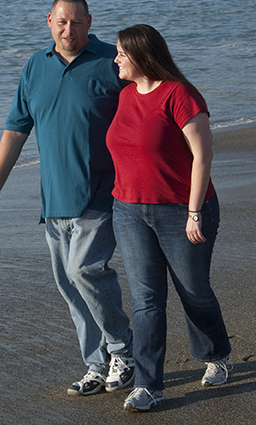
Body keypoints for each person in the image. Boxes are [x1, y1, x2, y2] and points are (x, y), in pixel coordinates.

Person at [0, 0, 134, 397]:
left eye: (77, 23)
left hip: (101, 192)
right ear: (49, 21)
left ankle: (124, 352)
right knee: (69, 284)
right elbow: (16, 129)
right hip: (54, 199)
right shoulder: (35, 66)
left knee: (86, 271)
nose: (69, 30)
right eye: (62, 23)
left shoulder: (111, 61)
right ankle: (96, 365)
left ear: (89, 21)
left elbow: (150, 103)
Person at [106, 24, 232, 412]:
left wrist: (194, 212)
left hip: (182, 211)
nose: (116, 60)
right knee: (146, 300)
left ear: (141, 56)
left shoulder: (180, 95)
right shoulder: (126, 96)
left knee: (193, 291)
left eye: (122, 55)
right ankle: (148, 385)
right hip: (128, 210)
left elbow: (203, 156)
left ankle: (216, 354)